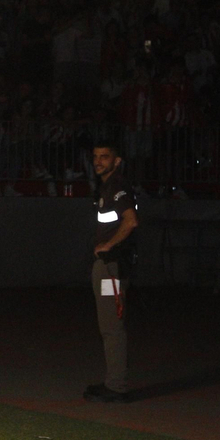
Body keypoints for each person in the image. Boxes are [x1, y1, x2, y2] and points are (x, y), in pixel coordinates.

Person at [85, 139, 138, 403]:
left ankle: (116, 386)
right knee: (109, 324)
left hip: (111, 267)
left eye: (104, 156)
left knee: (112, 326)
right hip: (109, 266)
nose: (98, 161)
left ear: (116, 161)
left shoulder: (117, 186)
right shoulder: (108, 186)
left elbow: (131, 221)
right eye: (96, 156)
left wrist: (108, 245)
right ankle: (113, 382)